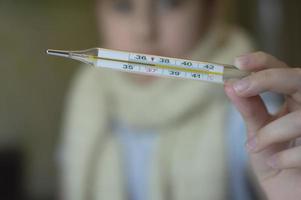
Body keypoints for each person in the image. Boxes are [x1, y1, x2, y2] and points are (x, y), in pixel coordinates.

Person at [59, 0, 301, 199]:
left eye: (168, 4)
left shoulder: (253, 112)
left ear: (211, 8)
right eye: (123, 6)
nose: (144, 31)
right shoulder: (87, 102)